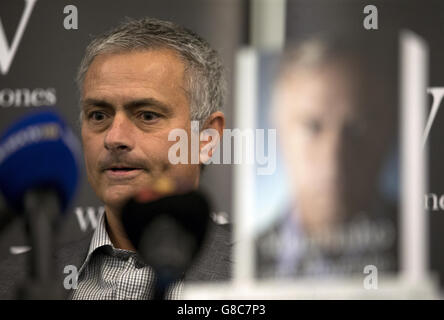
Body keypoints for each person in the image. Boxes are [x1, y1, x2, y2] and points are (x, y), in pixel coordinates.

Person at [0, 17, 231, 300]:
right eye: (99, 115)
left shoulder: (272, 273)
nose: (114, 138)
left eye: (147, 115)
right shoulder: (12, 282)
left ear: (206, 139)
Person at [256, 35, 399, 278]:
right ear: (278, 133)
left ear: (388, 132)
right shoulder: (232, 265)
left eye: (358, 127)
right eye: (312, 127)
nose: (334, 156)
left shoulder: (433, 246)